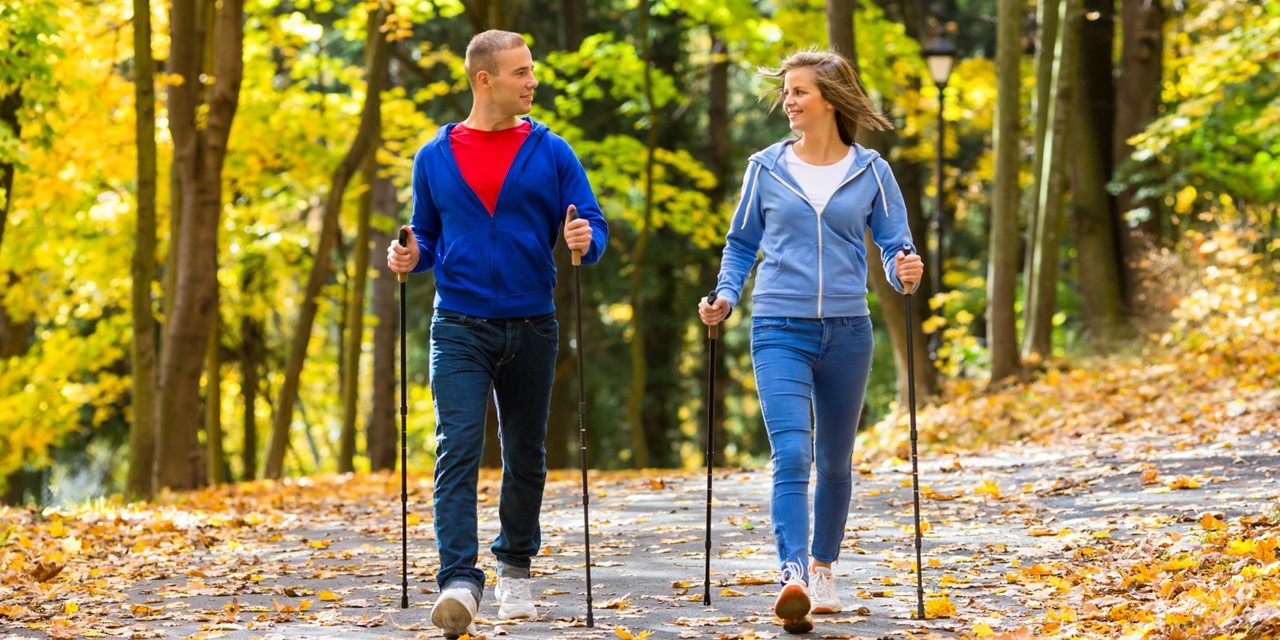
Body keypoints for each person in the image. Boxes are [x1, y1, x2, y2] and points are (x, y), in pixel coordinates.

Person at [386, 29, 608, 639]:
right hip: (458, 323)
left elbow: (591, 221)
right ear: (485, 80)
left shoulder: (552, 150)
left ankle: (514, 567)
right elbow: (426, 235)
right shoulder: (434, 156)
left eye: (531, 70)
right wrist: (409, 256)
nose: (532, 81)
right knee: (456, 447)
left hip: (533, 323)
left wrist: (585, 241)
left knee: (525, 452)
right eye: (521, 72)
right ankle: (459, 579)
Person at [698, 50, 923, 634]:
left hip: (849, 329)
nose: (788, 102)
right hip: (778, 326)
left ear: (829, 98)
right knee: (793, 455)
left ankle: (824, 568)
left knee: (837, 463)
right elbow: (741, 242)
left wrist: (906, 266)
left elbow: (896, 240)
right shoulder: (765, 167)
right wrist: (725, 294)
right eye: (787, 92)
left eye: (799, 92)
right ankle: (792, 573)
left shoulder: (871, 170)